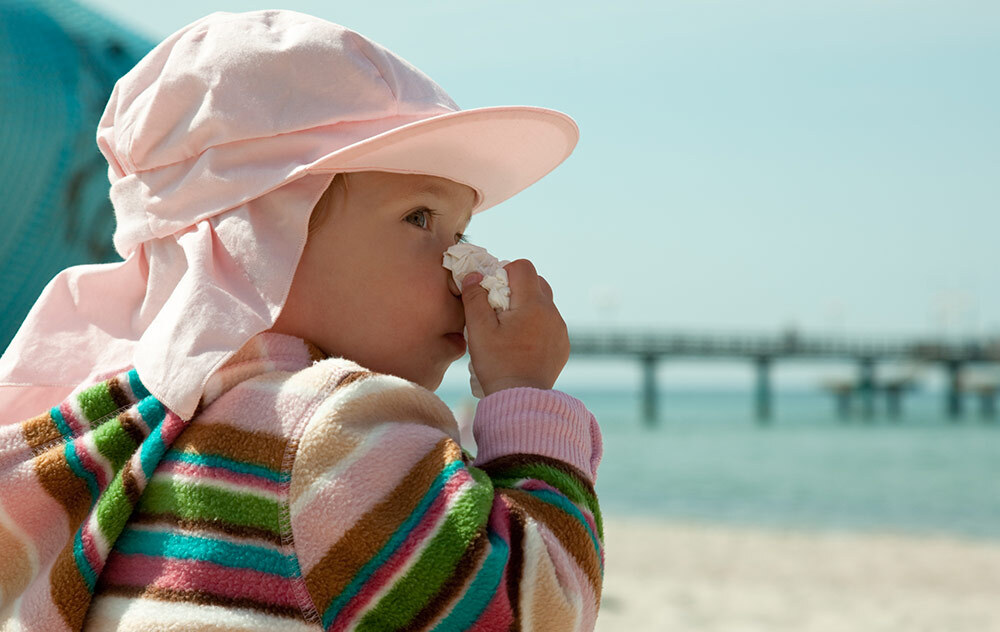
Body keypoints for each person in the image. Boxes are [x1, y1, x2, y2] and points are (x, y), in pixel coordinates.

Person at [0, 9, 603, 632]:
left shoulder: (123, 431)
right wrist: (525, 400)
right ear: (258, 238)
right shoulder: (329, 428)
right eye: (420, 218)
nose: (464, 268)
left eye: (462, 232)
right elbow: (531, 612)